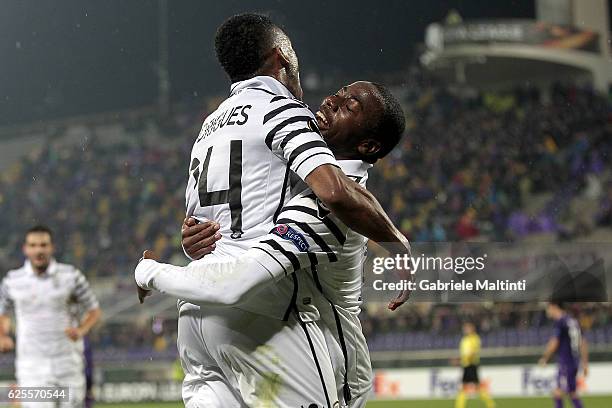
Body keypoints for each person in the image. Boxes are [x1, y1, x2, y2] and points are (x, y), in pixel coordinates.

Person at [145, 12, 410, 408]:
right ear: (281, 57)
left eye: (349, 103)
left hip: (297, 337)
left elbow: (339, 193)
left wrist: (165, 261)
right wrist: (399, 243)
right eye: (339, 92)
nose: (330, 99)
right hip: (269, 321)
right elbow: (334, 191)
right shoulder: (289, 120)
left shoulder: (211, 125)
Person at [0, 225, 101, 408]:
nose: (38, 250)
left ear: (52, 247)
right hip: (32, 367)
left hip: (68, 363)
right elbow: (3, 313)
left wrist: (81, 330)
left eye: (43, 245)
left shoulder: (71, 276)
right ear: (25, 249)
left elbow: (94, 310)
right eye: (33, 245)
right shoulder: (12, 281)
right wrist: (2, 336)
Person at [539, 302, 589, 408]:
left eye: (548, 308)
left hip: (566, 361)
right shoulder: (573, 321)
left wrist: (545, 357)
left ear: (554, 306)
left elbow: (554, 342)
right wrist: (585, 363)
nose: (548, 311)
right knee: (572, 392)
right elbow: (583, 342)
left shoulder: (561, 321)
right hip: (574, 361)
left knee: (558, 392)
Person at [454, 322, 495, 408]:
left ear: (472, 329)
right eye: (465, 328)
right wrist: (459, 360)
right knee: (474, 387)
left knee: (470, 387)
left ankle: (490, 405)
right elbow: (464, 353)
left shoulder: (474, 338)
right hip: (467, 365)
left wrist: (465, 359)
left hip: (471, 365)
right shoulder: (465, 339)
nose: (465, 330)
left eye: (467, 328)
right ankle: (491, 404)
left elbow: (473, 352)